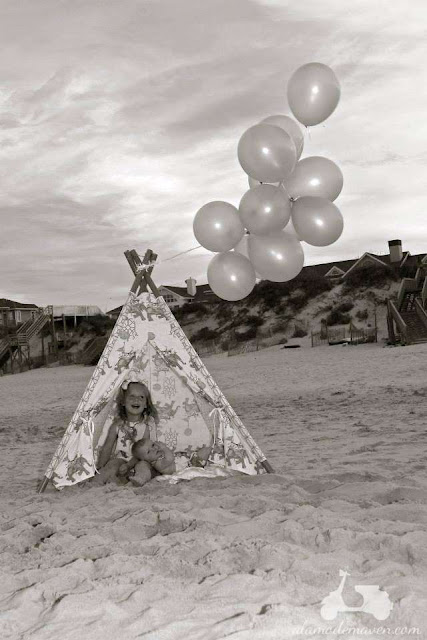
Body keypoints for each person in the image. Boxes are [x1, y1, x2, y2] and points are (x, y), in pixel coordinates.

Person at [96, 379, 158, 483]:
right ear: (123, 402)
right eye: (132, 396)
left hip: (140, 459)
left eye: (141, 397)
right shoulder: (117, 425)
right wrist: (100, 468)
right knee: (112, 465)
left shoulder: (147, 425)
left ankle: (138, 481)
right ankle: (97, 482)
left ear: (146, 404)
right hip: (121, 460)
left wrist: (129, 465)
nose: (136, 400)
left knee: (143, 466)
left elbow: (143, 452)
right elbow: (107, 448)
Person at [118, 438, 213, 486]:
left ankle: (215, 452)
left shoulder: (159, 455)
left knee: (206, 450)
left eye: (153, 445)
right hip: (189, 466)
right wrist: (164, 448)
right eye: (149, 452)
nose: (154, 449)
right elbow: (170, 459)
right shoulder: (157, 464)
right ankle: (213, 457)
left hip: (189, 462)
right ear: (145, 460)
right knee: (204, 453)